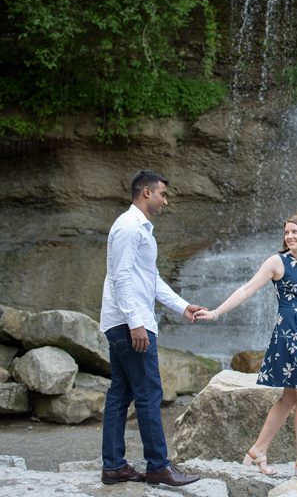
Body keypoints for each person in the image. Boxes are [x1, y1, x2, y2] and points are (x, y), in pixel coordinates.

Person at [194, 214, 297, 478]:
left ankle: (258, 451)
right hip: (290, 332)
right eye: (287, 232)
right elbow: (246, 289)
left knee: (291, 396)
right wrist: (215, 312)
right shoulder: (277, 262)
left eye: (294, 232)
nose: (289, 236)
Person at [99, 169, 204, 487]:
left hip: (122, 321)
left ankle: (114, 466)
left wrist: (183, 306)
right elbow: (121, 277)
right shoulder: (130, 228)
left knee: (121, 392)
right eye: (162, 194)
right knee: (149, 392)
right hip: (130, 322)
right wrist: (136, 323)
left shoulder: (139, 228)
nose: (165, 201)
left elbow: (151, 280)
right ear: (146, 193)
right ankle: (158, 466)